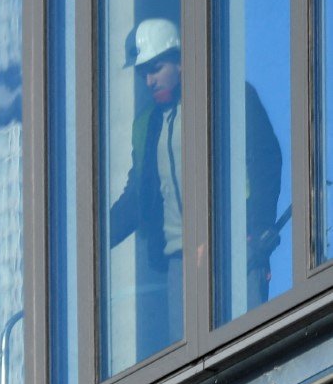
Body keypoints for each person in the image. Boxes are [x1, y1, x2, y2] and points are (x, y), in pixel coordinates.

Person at [108, 17, 283, 350]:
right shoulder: (147, 124)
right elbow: (138, 195)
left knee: (249, 343)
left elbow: (265, 158)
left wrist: (256, 225)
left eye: (156, 68)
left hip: (235, 244)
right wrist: (95, 239)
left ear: (179, 60)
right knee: (190, 358)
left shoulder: (227, 95)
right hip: (181, 260)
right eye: (142, 72)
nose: (149, 80)